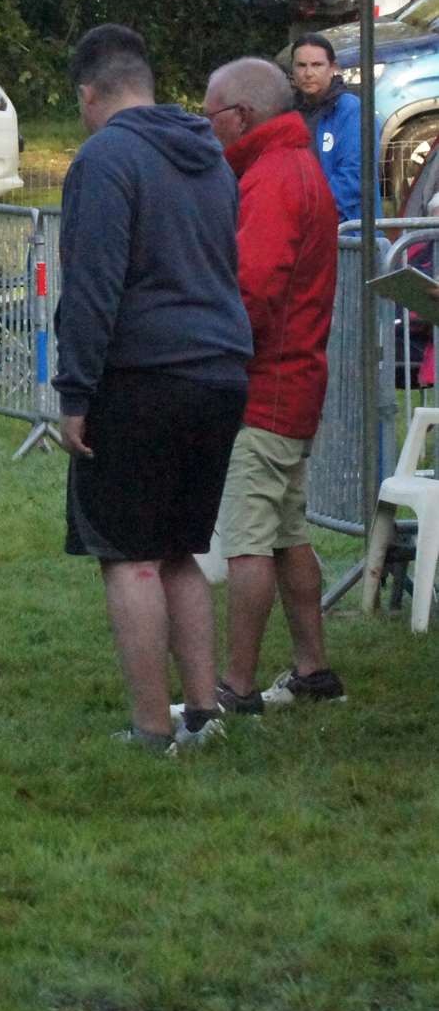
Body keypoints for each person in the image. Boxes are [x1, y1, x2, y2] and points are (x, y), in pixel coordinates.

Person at [53, 24, 254, 754]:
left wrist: (76, 392)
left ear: (89, 94)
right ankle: (201, 712)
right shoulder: (209, 155)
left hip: (142, 376)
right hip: (221, 370)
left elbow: (93, 283)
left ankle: (149, 726)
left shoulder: (106, 159)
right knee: (180, 551)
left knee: (131, 555)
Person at [201, 57, 344, 712]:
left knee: (249, 542)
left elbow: (248, 292)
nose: (209, 129)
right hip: (294, 382)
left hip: (264, 388)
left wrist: (204, 353)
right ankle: (313, 670)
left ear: (244, 116)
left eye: (212, 116)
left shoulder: (270, 179)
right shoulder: (299, 166)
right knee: (288, 533)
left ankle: (236, 686)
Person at [289, 33, 370, 225]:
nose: (308, 73)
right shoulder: (286, 113)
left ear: (333, 68)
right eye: (301, 65)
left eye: (317, 65)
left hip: (349, 235)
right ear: (292, 70)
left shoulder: (351, 110)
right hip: (301, 229)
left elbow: (353, 178)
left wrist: (308, 213)